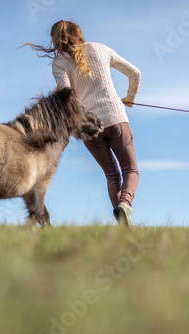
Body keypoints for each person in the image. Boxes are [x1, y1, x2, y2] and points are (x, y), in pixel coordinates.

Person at [26, 20, 141, 227]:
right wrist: (130, 96)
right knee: (130, 170)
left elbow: (65, 96)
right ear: (78, 33)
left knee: (111, 174)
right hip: (115, 118)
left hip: (88, 127)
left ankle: (124, 227)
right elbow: (135, 73)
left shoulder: (59, 63)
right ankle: (125, 204)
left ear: (55, 40)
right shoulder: (101, 49)